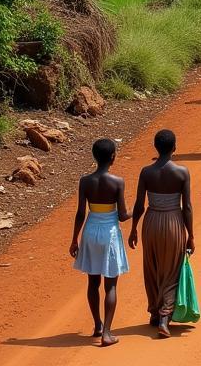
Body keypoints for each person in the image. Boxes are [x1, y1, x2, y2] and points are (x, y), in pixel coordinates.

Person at [128, 130, 194, 339]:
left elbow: (139, 205)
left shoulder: (146, 172)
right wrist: (191, 234)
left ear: (156, 147)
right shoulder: (182, 172)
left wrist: (133, 229)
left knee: (153, 266)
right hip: (173, 221)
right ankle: (164, 318)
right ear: (175, 147)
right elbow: (188, 207)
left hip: (151, 221)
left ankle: (155, 313)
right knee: (171, 270)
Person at [70, 138, 129, 347]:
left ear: (95, 157)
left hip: (90, 230)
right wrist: (135, 213)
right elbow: (122, 215)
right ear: (113, 157)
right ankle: (106, 333)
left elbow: (80, 213)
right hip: (109, 233)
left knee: (92, 283)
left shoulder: (85, 181)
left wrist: (74, 240)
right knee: (110, 285)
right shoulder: (117, 182)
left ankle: (96, 324)